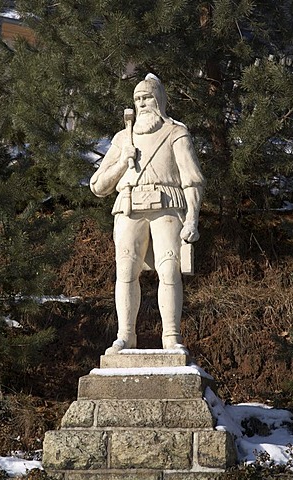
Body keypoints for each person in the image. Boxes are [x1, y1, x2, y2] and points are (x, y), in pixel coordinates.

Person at [90, 74, 205, 354]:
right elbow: (98, 185)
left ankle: (171, 337)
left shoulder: (175, 132)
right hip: (129, 206)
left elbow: (192, 180)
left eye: (147, 97)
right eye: (137, 98)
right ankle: (125, 336)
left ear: (159, 99)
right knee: (126, 272)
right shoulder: (122, 138)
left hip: (167, 204)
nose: (142, 103)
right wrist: (122, 163)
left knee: (169, 270)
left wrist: (192, 218)